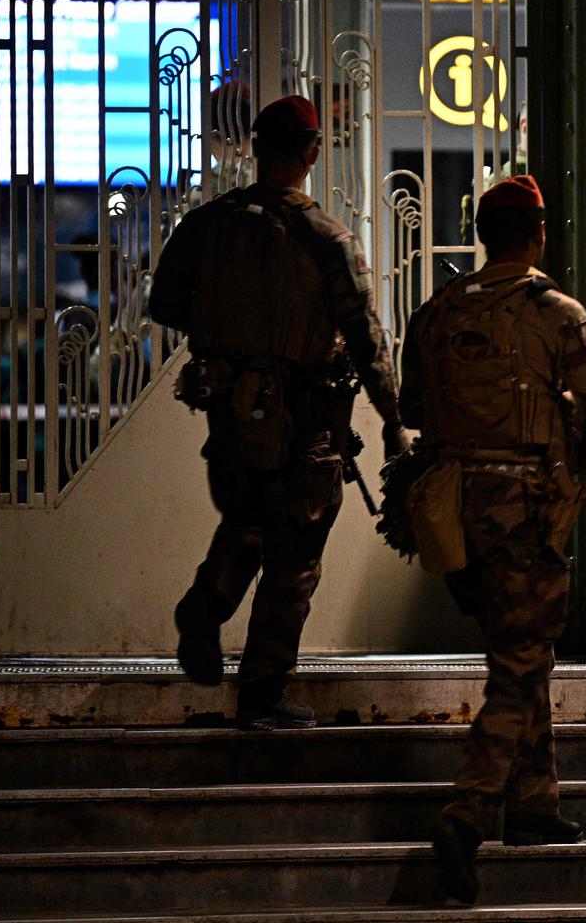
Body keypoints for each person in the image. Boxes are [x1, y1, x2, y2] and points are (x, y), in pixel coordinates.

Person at [148, 94, 405, 731]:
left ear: (257, 148)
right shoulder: (326, 238)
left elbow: (164, 306)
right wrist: (393, 420)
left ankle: (207, 604)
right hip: (306, 417)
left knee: (247, 519)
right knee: (295, 552)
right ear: (312, 153)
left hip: (230, 409)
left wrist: (230, 334)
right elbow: (367, 338)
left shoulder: (205, 225)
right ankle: (262, 692)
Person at [400, 175, 586, 904]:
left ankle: (534, 803)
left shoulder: (436, 312)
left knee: (523, 652)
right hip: (526, 512)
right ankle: (467, 814)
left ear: (482, 236)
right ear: (538, 235)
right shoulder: (558, 312)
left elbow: (412, 408)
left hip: (455, 514)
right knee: (518, 666)